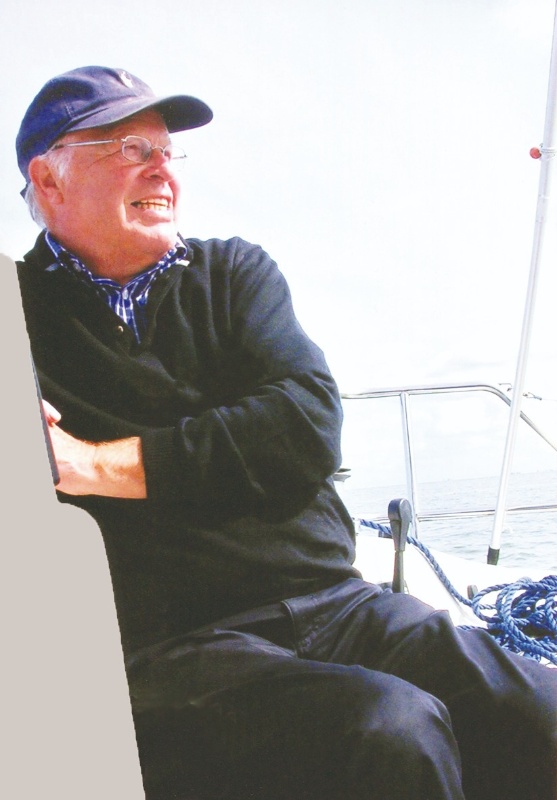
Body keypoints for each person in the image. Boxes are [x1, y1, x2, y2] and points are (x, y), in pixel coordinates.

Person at [14, 66, 556, 800]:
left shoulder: (234, 271)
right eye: (130, 149)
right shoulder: (16, 317)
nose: (162, 168)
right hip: (175, 642)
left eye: (167, 151)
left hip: (337, 600)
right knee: (391, 729)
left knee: (538, 713)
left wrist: (93, 464)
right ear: (48, 179)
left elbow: (303, 426)